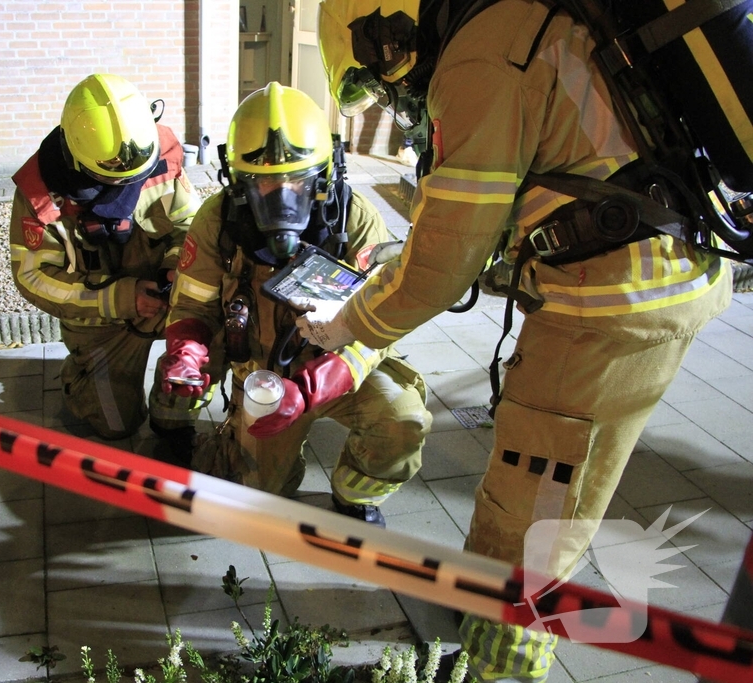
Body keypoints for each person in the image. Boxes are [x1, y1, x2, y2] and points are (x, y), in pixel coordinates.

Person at [311, 0, 732, 680]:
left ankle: (500, 666)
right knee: (552, 483)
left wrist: (348, 325)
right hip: (650, 279)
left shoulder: (479, 55)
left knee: (533, 519)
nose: (393, 97)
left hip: (604, 307)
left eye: (381, 78)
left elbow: (440, 266)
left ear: (389, 34)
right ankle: (486, 615)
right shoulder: (522, 19)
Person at [155, 81, 432, 527]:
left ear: (325, 173)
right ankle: (215, 444)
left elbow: (384, 320)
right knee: (255, 496)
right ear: (237, 181)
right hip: (261, 367)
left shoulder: (356, 220)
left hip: (335, 365)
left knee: (403, 420)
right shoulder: (218, 221)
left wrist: (313, 387)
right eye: (263, 185)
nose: (281, 200)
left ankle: (354, 494)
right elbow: (193, 305)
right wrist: (188, 355)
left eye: (296, 182)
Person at [9, 73, 200, 442]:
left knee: (226, 320)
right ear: (75, 157)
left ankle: (171, 409)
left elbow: (190, 226)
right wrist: (123, 298)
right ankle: (80, 374)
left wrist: (174, 267)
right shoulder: (40, 194)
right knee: (116, 426)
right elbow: (33, 278)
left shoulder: (156, 150)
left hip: (167, 295)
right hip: (103, 320)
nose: (128, 182)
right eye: (113, 175)